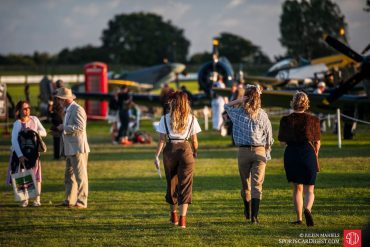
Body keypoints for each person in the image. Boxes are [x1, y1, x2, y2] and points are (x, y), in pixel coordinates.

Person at [224, 85, 273, 224]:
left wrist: (239, 100)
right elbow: (269, 137)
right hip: (259, 151)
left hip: (243, 152)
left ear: (245, 97)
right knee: (257, 185)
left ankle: (247, 210)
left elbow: (227, 106)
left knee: (246, 185)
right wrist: (267, 150)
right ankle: (254, 217)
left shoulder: (238, 113)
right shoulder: (263, 115)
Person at [154, 92, 201, 228]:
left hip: (170, 150)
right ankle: (182, 220)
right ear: (186, 103)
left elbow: (162, 140)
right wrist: (195, 152)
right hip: (186, 150)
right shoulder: (192, 118)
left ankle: (173, 215)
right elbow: (195, 141)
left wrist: (156, 155)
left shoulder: (164, 118)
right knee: (185, 185)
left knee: (172, 184)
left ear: (172, 103)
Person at [278, 91, 321, 227]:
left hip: (291, 153)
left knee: (297, 188)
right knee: (310, 189)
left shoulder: (286, 120)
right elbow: (317, 142)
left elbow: (282, 142)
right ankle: (308, 209)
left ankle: (299, 218)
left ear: (293, 103)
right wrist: (315, 155)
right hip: (308, 152)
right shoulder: (313, 120)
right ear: (306, 103)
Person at [6, 100, 47, 207]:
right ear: (19, 111)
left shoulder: (34, 119)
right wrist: (20, 156)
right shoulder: (17, 124)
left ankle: (37, 199)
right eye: (24, 108)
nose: (27, 110)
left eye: (28, 108)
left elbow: (44, 132)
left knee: (37, 176)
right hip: (21, 154)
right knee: (22, 176)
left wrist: (33, 131)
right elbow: (14, 141)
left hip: (33, 153)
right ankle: (24, 199)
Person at [55, 87, 90, 208]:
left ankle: (82, 202)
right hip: (70, 148)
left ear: (64, 99)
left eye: (59, 99)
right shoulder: (68, 109)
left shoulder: (77, 109)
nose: (58, 101)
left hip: (78, 148)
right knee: (69, 176)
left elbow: (80, 127)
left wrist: (63, 128)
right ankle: (69, 200)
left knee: (81, 176)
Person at [49, 79, 64, 159]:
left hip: (55, 117)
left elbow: (50, 107)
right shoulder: (64, 93)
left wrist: (50, 113)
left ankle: (56, 155)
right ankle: (64, 155)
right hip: (63, 117)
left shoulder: (53, 94)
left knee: (56, 138)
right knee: (64, 137)